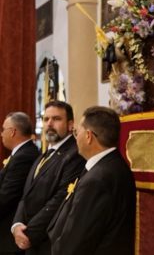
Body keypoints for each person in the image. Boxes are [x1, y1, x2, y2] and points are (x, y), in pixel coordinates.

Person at [48, 106, 136, 255]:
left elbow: (75, 242)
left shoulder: (97, 179)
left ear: (88, 136)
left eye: (77, 132)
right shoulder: (114, 165)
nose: (76, 138)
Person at [12, 101, 85, 255]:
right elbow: (26, 194)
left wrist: (29, 234)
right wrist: (17, 224)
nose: (49, 124)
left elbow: (60, 200)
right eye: (46, 119)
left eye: (56, 119)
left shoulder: (75, 155)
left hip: (48, 243)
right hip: (30, 240)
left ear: (71, 124)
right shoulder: (44, 154)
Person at [0, 112, 39, 255]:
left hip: (10, 232)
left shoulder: (24, 156)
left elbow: (7, 196)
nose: (1, 134)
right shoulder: (20, 153)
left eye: (3, 130)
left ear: (13, 132)